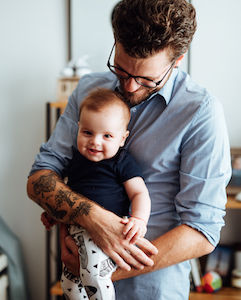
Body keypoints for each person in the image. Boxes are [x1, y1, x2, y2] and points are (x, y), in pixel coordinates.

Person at [27, 0, 232, 299]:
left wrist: (98, 271)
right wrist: (92, 219)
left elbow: (202, 232)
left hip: (152, 289)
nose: (131, 87)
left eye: (147, 79)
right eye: (121, 71)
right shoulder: (87, 92)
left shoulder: (201, 112)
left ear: (178, 60)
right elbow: (39, 179)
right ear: (115, 42)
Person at [41, 88, 151, 300]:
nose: (95, 142)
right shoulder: (74, 161)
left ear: (122, 139)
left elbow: (139, 193)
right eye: (88, 133)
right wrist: (54, 213)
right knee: (69, 285)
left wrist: (139, 219)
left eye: (107, 135)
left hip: (106, 234)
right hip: (76, 231)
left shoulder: (121, 161)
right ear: (78, 129)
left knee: (93, 275)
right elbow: (69, 195)